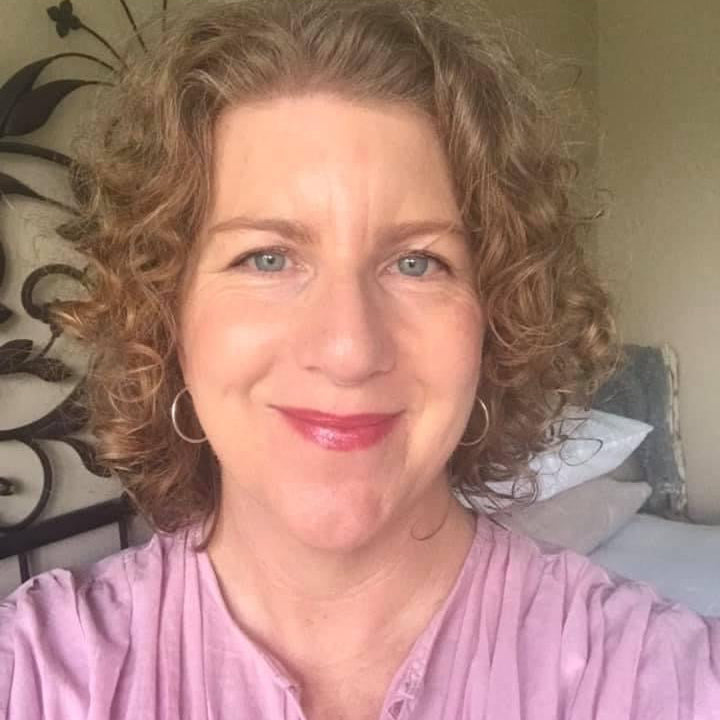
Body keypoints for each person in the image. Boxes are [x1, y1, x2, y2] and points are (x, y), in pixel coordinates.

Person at [1, 1, 719, 718]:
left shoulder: (658, 677)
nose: (348, 349)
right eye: (267, 257)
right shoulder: (33, 674)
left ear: (494, 317)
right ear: (168, 312)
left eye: (417, 262)